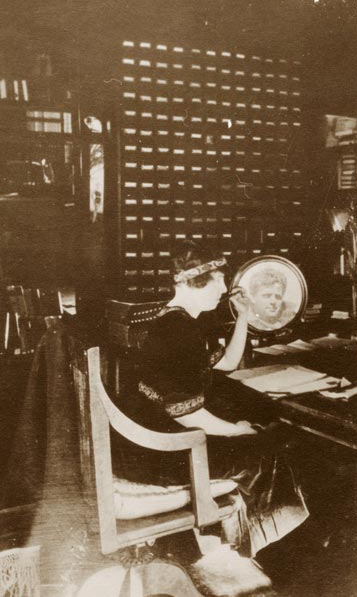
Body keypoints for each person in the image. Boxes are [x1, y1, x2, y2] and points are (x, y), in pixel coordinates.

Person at [115, 241, 308, 563]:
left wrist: (243, 318)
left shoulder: (177, 321)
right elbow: (186, 414)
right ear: (196, 282)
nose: (224, 287)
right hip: (160, 451)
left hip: (146, 442)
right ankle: (269, 551)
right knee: (269, 449)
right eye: (219, 278)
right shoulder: (179, 332)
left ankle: (249, 541)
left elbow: (227, 364)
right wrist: (236, 430)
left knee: (266, 436)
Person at [246, 266, 297, 331]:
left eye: (278, 297)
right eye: (267, 296)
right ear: (253, 297)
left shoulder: (291, 320)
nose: (273, 302)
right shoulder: (244, 322)